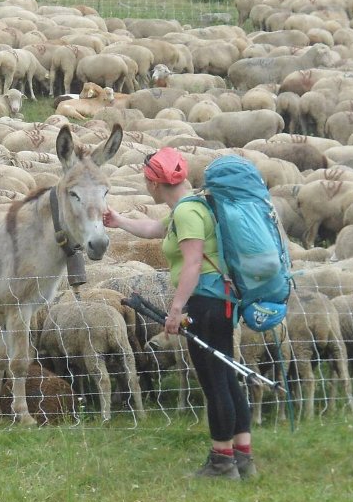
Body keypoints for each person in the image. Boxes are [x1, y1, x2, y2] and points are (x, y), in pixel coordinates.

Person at [103, 147, 254, 480]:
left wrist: (175, 309)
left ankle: (221, 462)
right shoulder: (193, 206)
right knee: (226, 377)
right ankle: (243, 457)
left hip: (207, 302)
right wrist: (119, 221)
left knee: (214, 382)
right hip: (221, 300)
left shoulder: (187, 214)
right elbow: (158, 230)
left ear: (154, 183)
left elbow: (193, 263)